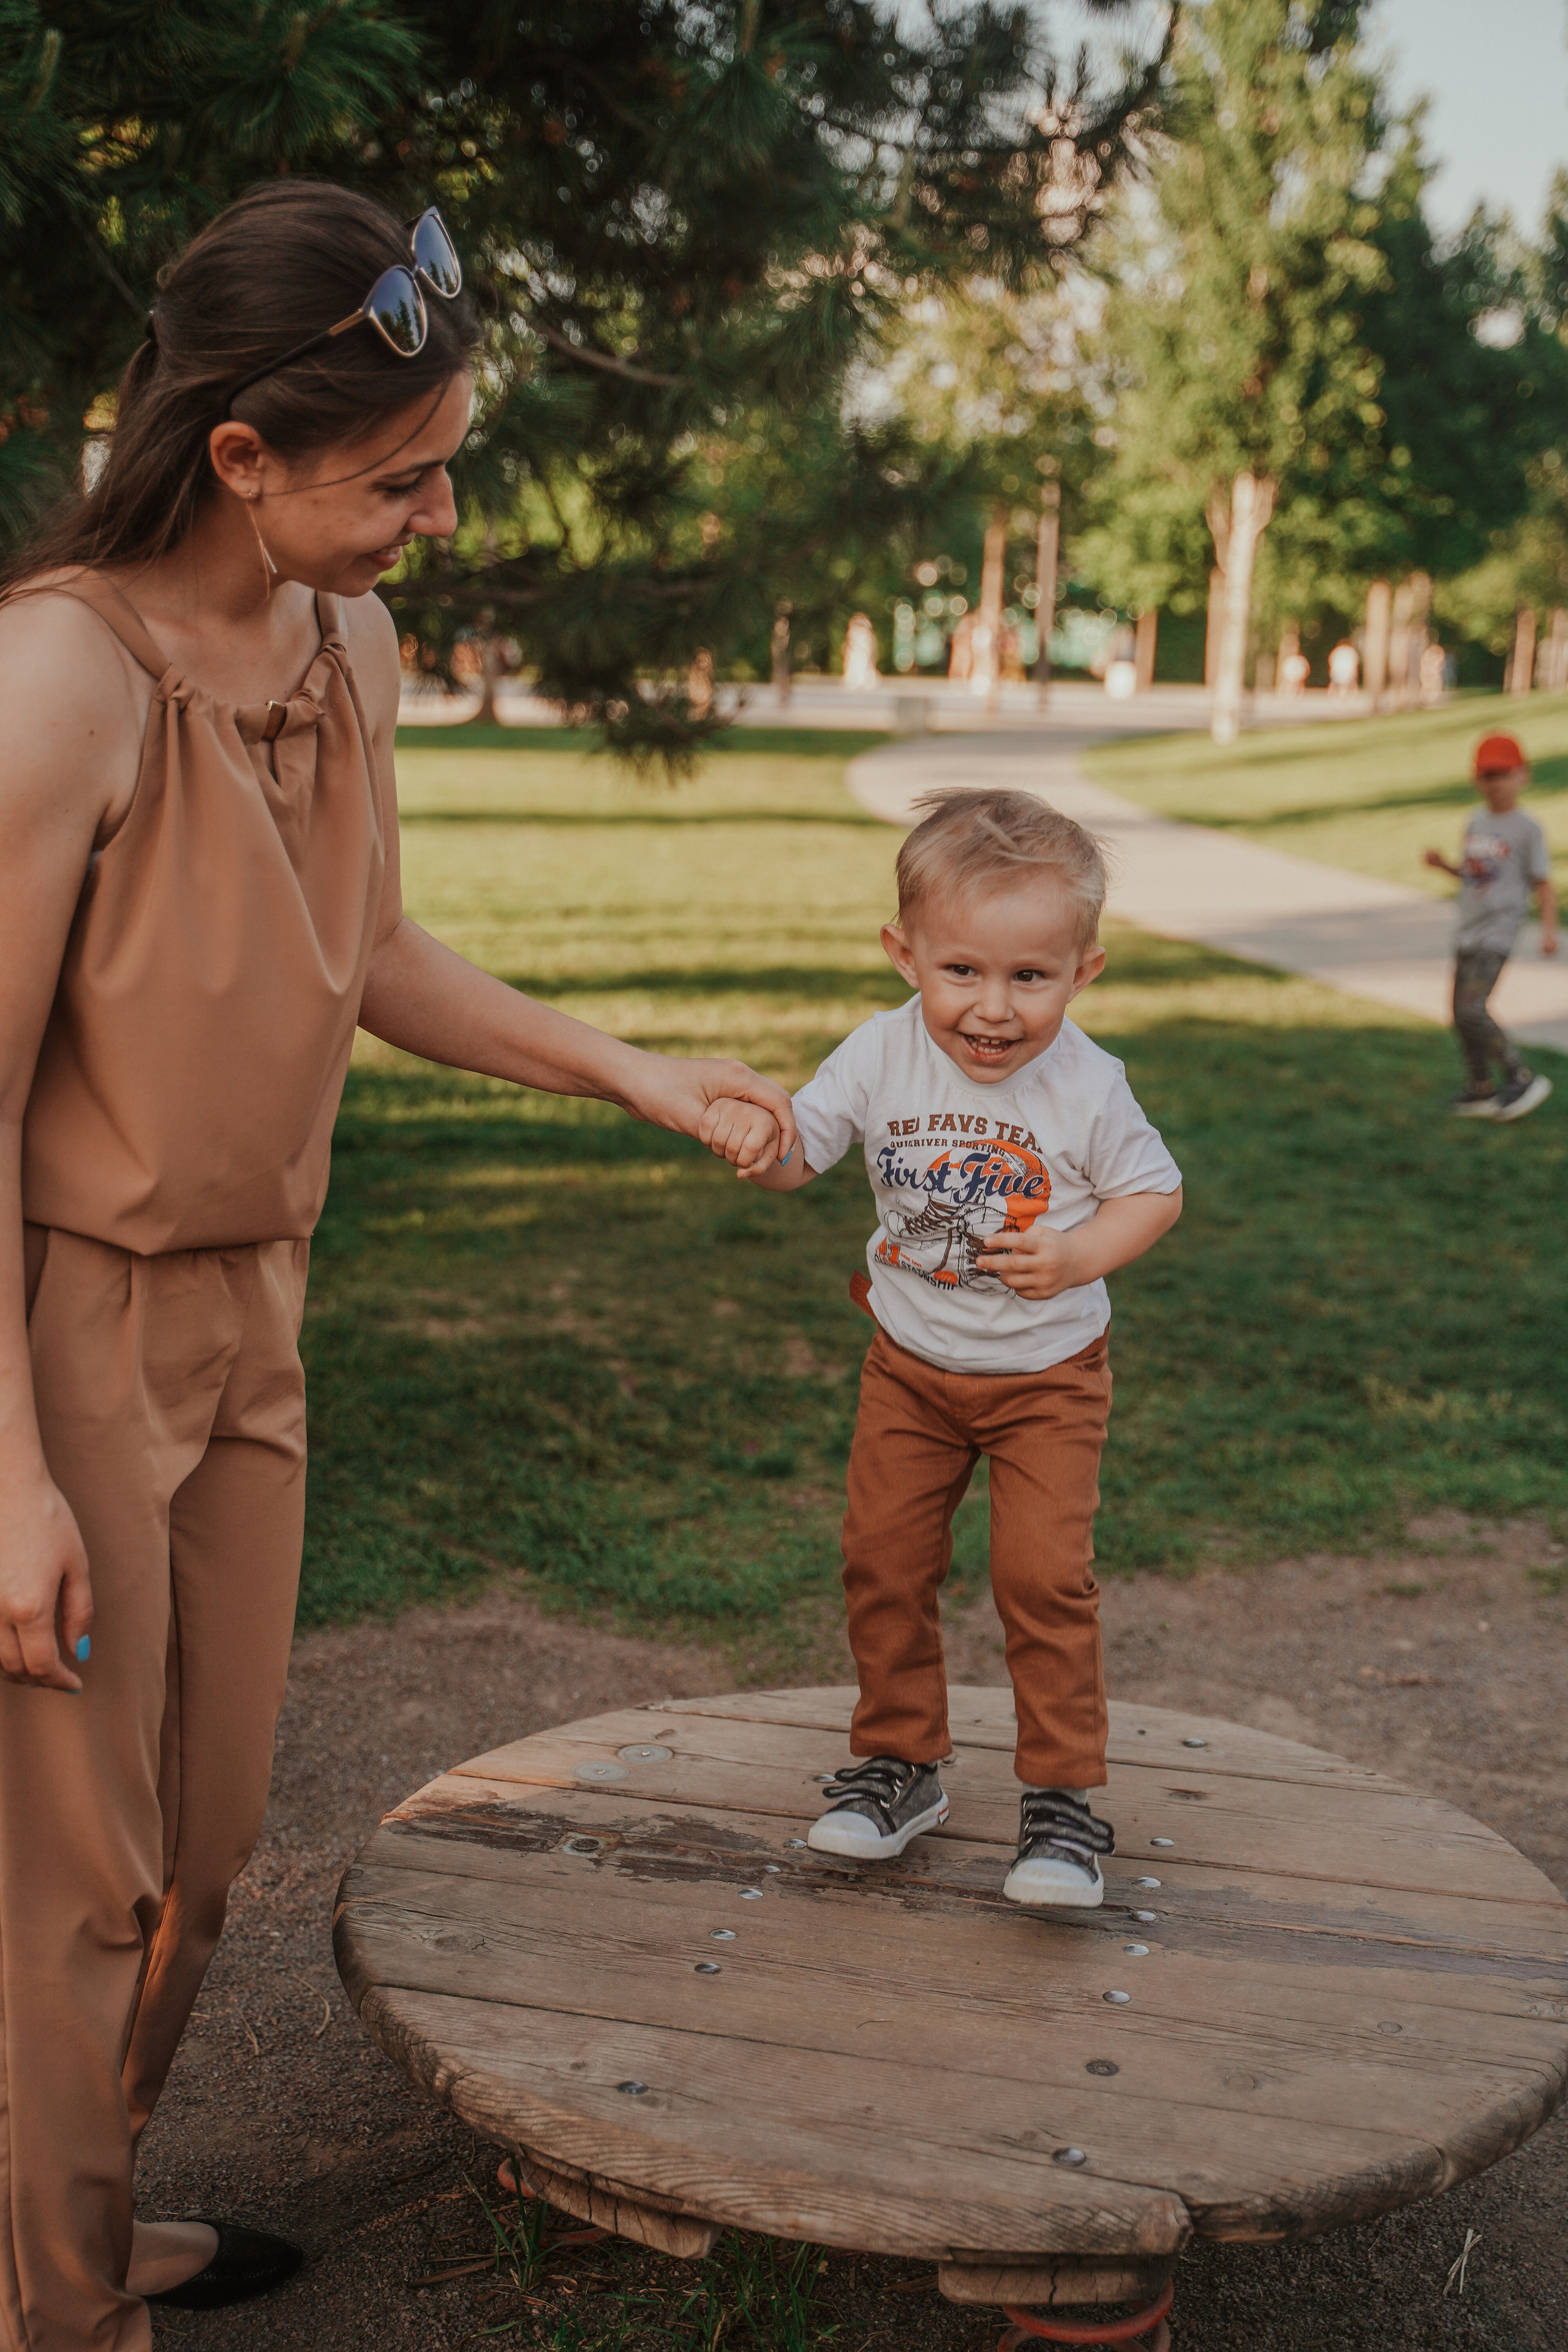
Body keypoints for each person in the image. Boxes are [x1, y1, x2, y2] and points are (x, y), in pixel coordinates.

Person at [0, 181, 794, 2350]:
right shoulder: (60, 676)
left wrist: (634, 1073)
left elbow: (367, 948)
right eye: (404, 476)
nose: (444, 516)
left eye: (453, 459)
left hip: (258, 1311)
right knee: (70, 1890)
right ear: (241, 457)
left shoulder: (341, 635)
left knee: (209, 1847)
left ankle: (67, 2218)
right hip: (65, 1328)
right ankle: (61, 2309)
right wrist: (8, 1478)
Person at [698, 790, 1182, 1909]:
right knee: (884, 1561)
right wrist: (751, 1134)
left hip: (1047, 1385)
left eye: (1032, 977)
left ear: (1086, 972)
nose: (995, 1010)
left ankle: (1062, 1807)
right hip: (909, 1375)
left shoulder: (1089, 1085)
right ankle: (899, 1767)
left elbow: (1154, 1195)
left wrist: (1077, 1256)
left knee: (1042, 1578)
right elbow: (799, 1153)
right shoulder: (878, 1053)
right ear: (903, 956)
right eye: (963, 971)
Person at [1423, 732, 1557, 1120]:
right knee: (1458, 1014)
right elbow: (1473, 874)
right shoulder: (1476, 820)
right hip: (1469, 928)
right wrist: (1443, 866)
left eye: (1503, 774)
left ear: (1523, 776)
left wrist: (1548, 932)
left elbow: (1543, 884)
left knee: (1472, 1007)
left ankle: (1522, 1077)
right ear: (1476, 780)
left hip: (1499, 930)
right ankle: (1479, 1088)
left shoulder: (1527, 828)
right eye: (1487, 775)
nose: (1495, 783)